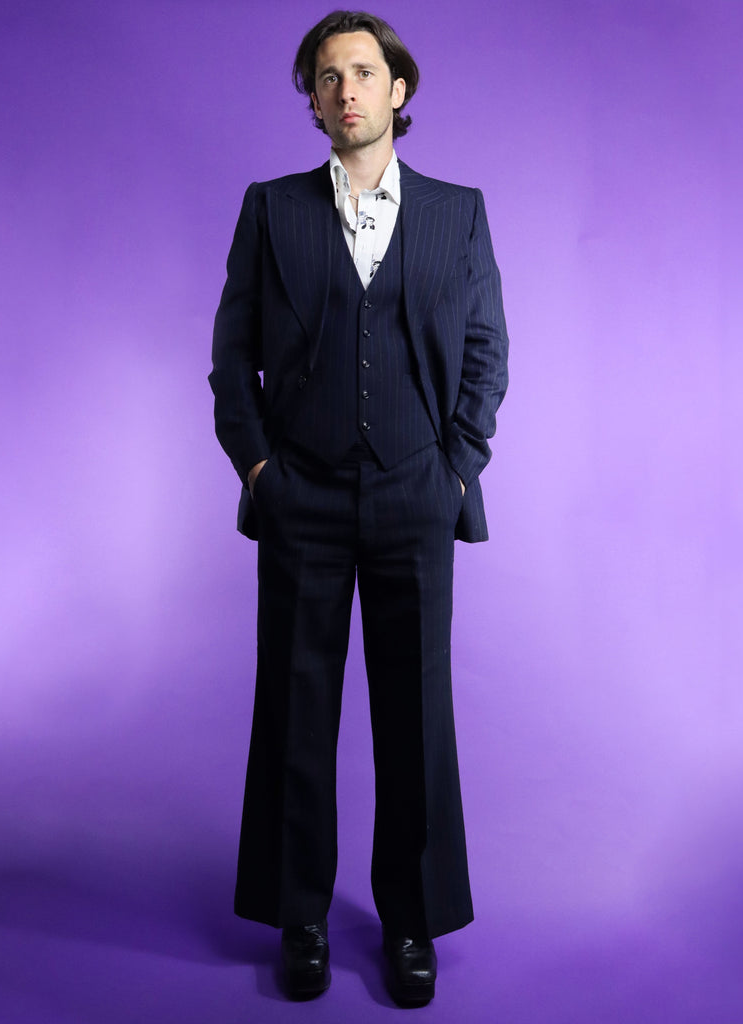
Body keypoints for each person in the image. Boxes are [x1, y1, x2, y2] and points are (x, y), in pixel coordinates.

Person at [209, 9, 508, 1007]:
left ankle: (411, 920)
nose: (346, 90)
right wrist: (261, 471)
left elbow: (486, 351)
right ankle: (300, 916)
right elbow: (231, 358)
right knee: (296, 711)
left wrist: (456, 468)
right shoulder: (272, 209)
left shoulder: (459, 212)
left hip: (417, 493)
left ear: (397, 90)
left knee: (417, 717)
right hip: (302, 495)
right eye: (327, 76)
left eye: (363, 72)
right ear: (313, 100)